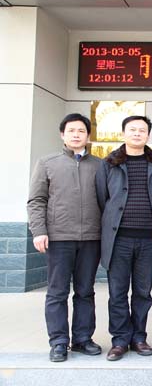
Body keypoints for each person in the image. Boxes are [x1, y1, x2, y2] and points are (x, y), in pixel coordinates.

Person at [27, 113, 102, 362]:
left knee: (85, 291)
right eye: (71, 130)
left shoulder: (99, 165)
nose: (76, 135)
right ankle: (59, 341)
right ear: (62, 134)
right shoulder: (47, 163)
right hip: (58, 238)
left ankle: (82, 339)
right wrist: (39, 231)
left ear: (88, 136)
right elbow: (36, 200)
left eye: (81, 131)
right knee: (57, 292)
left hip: (91, 237)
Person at [95, 115, 152, 361]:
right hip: (119, 239)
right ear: (124, 133)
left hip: (147, 239)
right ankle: (119, 340)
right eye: (132, 129)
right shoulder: (109, 163)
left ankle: (138, 338)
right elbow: (101, 199)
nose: (137, 133)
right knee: (117, 292)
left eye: (142, 130)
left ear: (148, 135)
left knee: (143, 292)